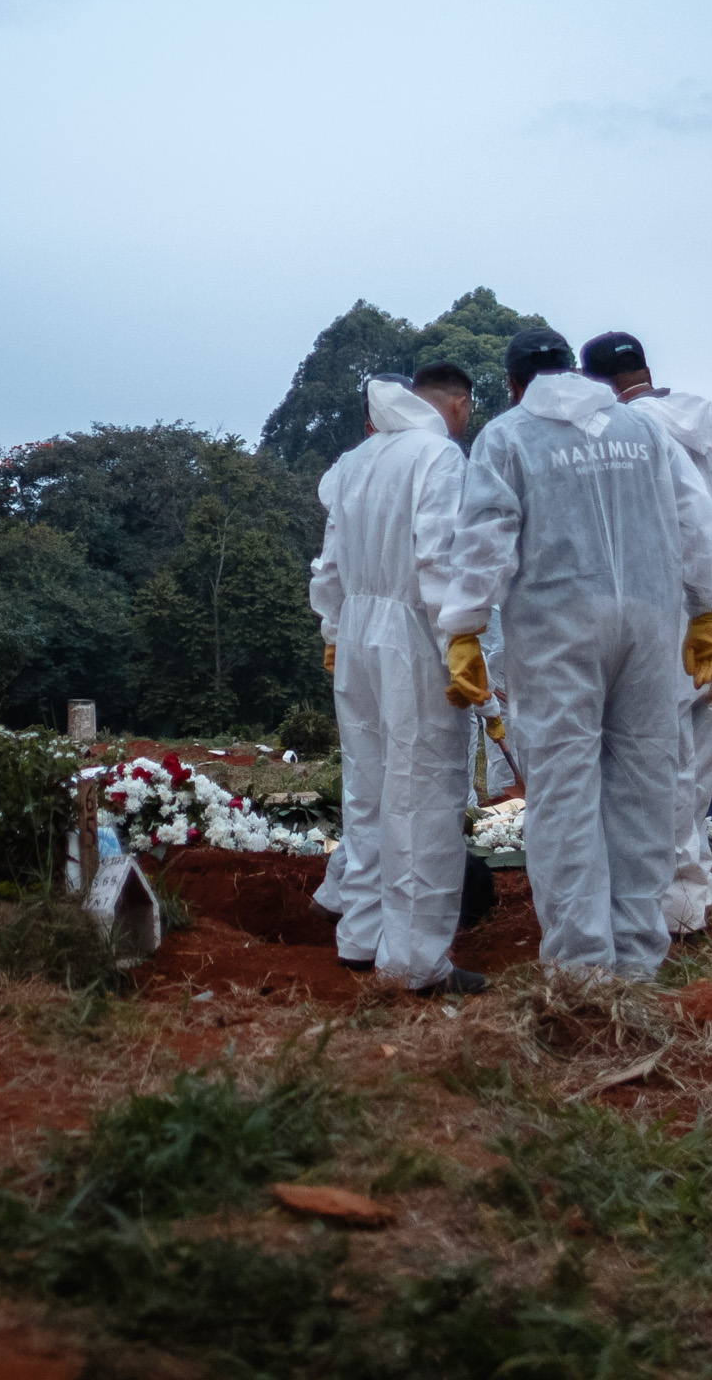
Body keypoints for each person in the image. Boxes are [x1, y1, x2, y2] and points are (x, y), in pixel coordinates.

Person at [443, 328, 712, 981]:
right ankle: (637, 953)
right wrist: (709, 610)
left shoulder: (509, 436)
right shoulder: (645, 431)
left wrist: (462, 626)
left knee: (566, 789)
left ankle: (581, 965)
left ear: (516, 384)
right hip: (651, 621)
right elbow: (696, 517)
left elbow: (484, 539)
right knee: (643, 785)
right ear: (574, 370)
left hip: (557, 631)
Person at [306, 372, 478, 992]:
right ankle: (415, 961)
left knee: (369, 788)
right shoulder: (436, 456)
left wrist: (332, 632)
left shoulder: (352, 464)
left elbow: (326, 564)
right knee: (425, 791)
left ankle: (360, 934)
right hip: (412, 632)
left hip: (355, 630)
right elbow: (437, 557)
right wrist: (458, 636)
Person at [578, 331, 712, 933]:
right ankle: (695, 886)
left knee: (657, 764)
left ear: (595, 383)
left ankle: (669, 900)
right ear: (645, 368)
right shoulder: (705, 430)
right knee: (697, 761)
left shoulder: (630, 435)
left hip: (662, 613)